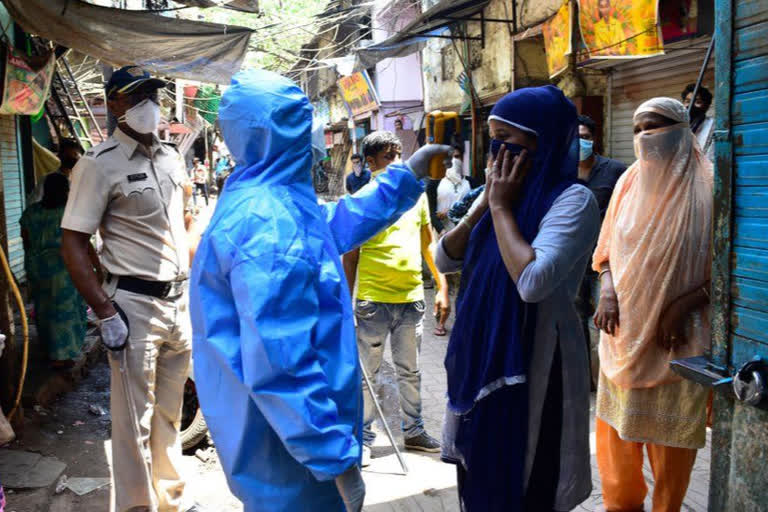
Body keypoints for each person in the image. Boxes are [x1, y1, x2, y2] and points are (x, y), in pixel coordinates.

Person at [188, 69, 452, 512]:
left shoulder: (262, 194)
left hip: (281, 437)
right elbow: (281, 361)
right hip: (293, 452)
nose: (312, 138)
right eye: (300, 123)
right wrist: (335, 459)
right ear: (281, 134)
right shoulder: (269, 223)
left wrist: (403, 177)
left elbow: (333, 227)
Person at [435, 86, 599, 511]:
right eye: (493, 137)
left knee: (529, 479)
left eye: (509, 137)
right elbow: (444, 256)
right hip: (481, 354)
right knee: (481, 472)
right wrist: (484, 206)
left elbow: (532, 281)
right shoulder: (500, 194)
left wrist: (503, 209)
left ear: (542, 140)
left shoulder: (573, 200)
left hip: (536, 357)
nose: (497, 150)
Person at [60, 66, 200, 512]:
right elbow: (73, 242)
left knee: (170, 413)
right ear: (114, 105)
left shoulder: (171, 158)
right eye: (136, 96)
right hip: (133, 306)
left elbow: (184, 224)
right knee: (132, 420)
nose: (149, 105)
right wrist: (104, 311)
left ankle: (171, 499)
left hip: (178, 302)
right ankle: (136, 506)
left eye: (153, 96)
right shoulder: (97, 165)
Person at [592, 97, 712, 512]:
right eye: (639, 128)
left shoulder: (709, 187)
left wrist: (683, 304)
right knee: (618, 459)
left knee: (670, 461)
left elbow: (731, 272)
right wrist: (607, 286)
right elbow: (605, 249)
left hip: (678, 343)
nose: (646, 137)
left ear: (683, 131)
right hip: (622, 338)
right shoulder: (628, 180)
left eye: (657, 127)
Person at [342, 130, 449, 462]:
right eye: (389, 156)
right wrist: (346, 302)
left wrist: (442, 286)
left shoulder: (416, 196)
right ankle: (363, 437)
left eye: (399, 154)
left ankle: (413, 431)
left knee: (411, 370)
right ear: (371, 163)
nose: (397, 162)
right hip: (373, 300)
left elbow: (428, 242)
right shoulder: (364, 199)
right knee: (367, 374)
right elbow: (351, 255)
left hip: (411, 299)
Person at [575, 114, 627, 386]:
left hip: (607, 262)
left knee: (609, 319)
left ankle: (612, 379)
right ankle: (585, 380)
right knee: (577, 319)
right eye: (575, 137)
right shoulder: (561, 171)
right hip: (572, 261)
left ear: (594, 139)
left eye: (584, 136)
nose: (580, 141)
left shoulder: (616, 170)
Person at [21, 173, 91, 368]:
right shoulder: (69, 213)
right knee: (66, 311)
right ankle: (63, 355)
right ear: (66, 190)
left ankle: (49, 350)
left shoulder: (31, 212)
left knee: (44, 311)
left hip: (38, 268)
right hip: (65, 269)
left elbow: (25, 240)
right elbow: (82, 244)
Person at [30, 138, 83, 203]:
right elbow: (32, 202)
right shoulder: (48, 180)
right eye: (74, 154)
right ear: (62, 155)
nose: (77, 158)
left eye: (77, 154)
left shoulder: (78, 181)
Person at [436, 146, 471, 232]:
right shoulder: (435, 184)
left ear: (462, 158)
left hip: (465, 234)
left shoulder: (471, 183)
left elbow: (474, 207)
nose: (453, 161)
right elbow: (431, 214)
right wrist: (441, 230)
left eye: (456, 157)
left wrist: (449, 212)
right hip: (443, 236)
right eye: (450, 157)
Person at [682, 83, 715, 161]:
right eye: (687, 101)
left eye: (698, 102)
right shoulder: (677, 126)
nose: (690, 106)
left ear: (707, 106)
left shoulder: (713, 125)